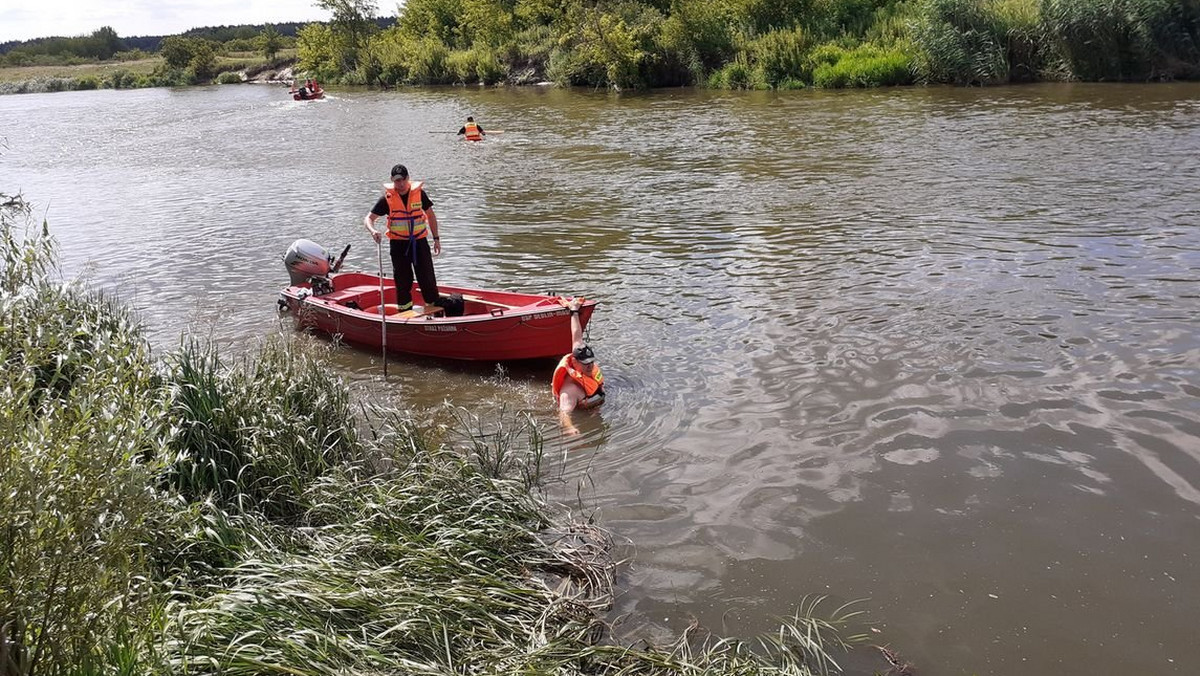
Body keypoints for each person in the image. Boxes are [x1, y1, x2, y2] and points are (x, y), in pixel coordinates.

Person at [363, 164, 442, 312]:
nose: (400, 184)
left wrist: (436, 239)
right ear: (392, 181)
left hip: (419, 243)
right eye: (396, 181)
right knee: (403, 282)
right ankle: (405, 313)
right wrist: (373, 231)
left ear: (408, 178)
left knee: (427, 279)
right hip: (399, 246)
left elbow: (431, 216)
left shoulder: (419, 194)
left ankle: (435, 311)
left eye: (402, 180)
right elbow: (368, 218)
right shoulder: (387, 199)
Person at [552, 298, 604, 434]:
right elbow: (564, 414)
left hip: (593, 402)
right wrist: (570, 428)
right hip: (585, 408)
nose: (590, 366)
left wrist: (574, 310)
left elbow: (577, 337)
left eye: (591, 362)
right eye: (586, 363)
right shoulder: (569, 390)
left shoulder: (580, 353)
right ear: (574, 362)